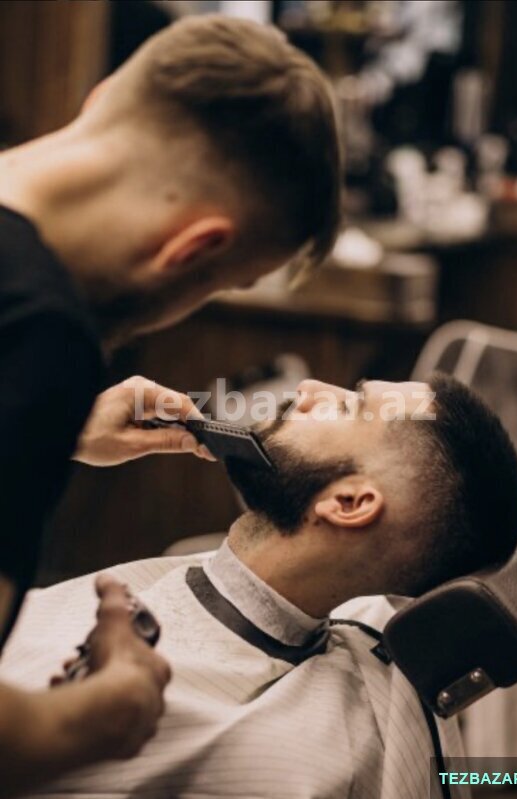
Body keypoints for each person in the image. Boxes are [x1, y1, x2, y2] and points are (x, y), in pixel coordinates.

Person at [0, 13, 340, 795]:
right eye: (219, 285)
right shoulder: (41, 336)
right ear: (193, 249)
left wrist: (51, 430)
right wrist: (109, 710)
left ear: (102, 97)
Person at [0, 374, 517, 799]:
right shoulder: (369, 622)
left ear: (348, 503)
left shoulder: (264, 756)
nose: (308, 388)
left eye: (349, 406)